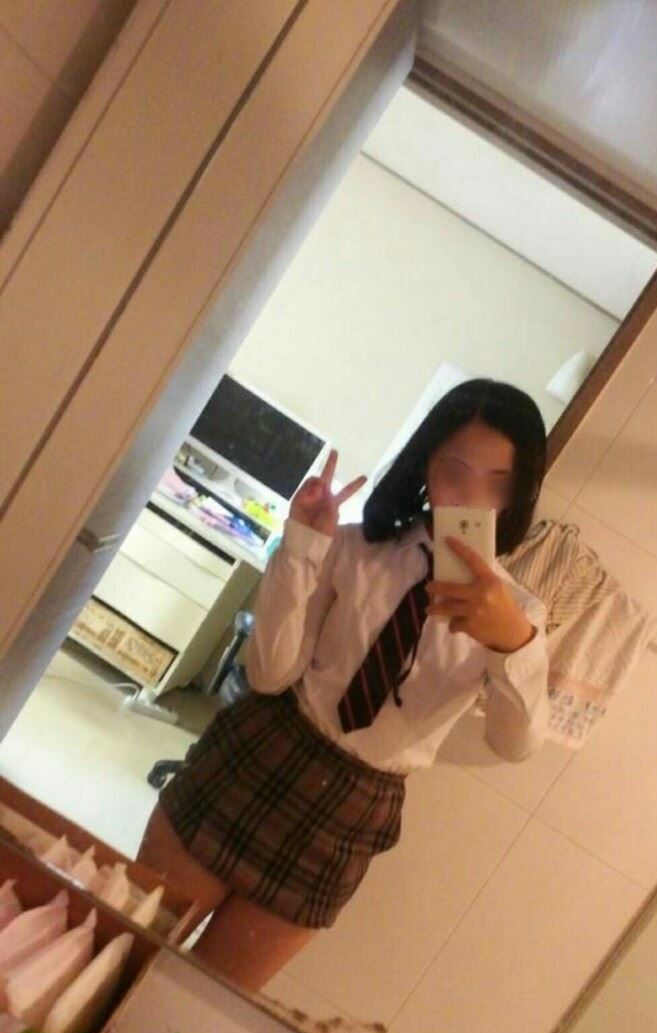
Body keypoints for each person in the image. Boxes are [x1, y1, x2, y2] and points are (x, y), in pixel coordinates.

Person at [136, 378, 550, 992]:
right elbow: (270, 674)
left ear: (518, 494)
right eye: (454, 471)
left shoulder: (520, 615)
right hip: (262, 751)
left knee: (200, 1000)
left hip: (351, 814)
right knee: (125, 944)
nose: (471, 496)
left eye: (497, 482)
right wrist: (302, 546)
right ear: (426, 465)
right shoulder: (356, 548)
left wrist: (513, 643)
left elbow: (514, 744)